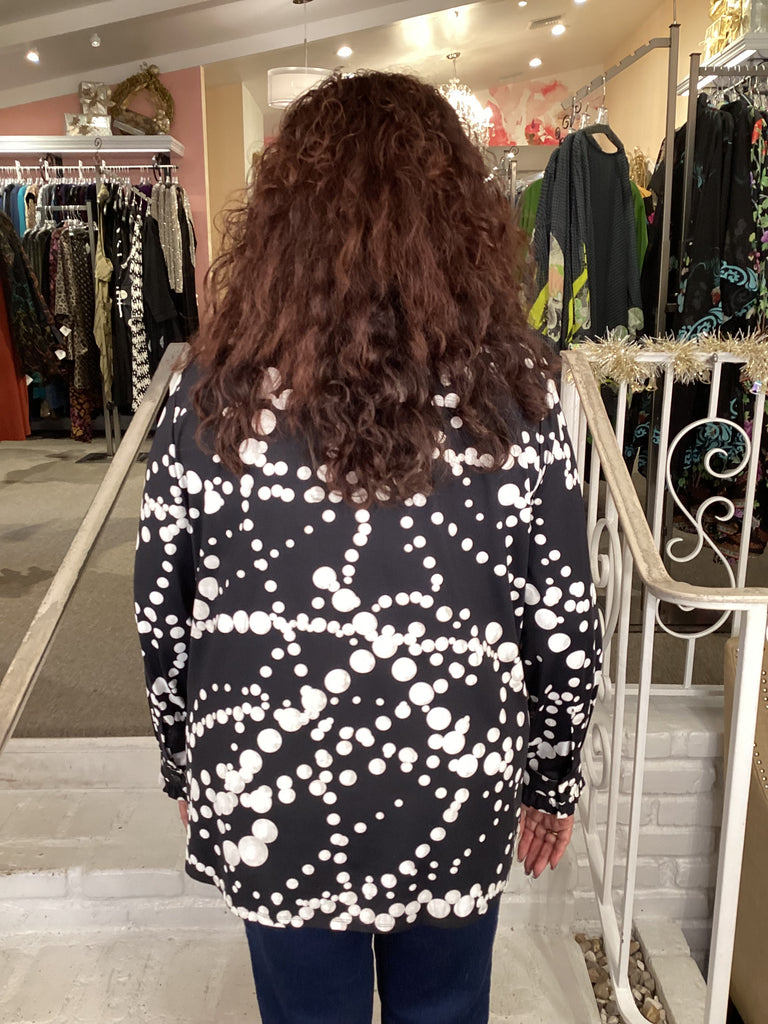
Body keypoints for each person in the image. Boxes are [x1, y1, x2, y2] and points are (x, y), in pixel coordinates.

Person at [134, 70, 601, 1024]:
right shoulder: (518, 398)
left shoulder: (211, 397)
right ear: (461, 222)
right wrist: (553, 779)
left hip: (270, 774)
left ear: (284, 225)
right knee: (446, 1009)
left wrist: (185, 759)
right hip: (454, 769)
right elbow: (563, 618)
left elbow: (160, 610)